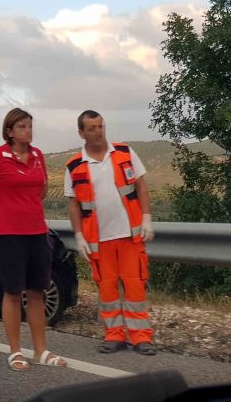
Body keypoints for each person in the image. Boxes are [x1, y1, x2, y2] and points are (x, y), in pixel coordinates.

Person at [0, 108, 67, 371]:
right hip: (9, 234)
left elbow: (43, 190)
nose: (28, 131)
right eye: (22, 126)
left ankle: (41, 350)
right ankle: (15, 351)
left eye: (30, 126)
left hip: (37, 232)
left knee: (37, 291)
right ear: (10, 131)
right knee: (13, 292)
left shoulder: (38, 156)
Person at [64, 110, 156, 355]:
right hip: (99, 240)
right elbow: (73, 205)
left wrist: (146, 218)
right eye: (91, 128)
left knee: (135, 287)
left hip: (129, 235)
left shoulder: (124, 153)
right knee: (107, 290)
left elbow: (141, 187)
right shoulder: (74, 166)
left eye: (100, 126)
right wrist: (79, 236)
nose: (98, 132)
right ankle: (114, 335)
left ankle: (141, 338)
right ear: (81, 133)